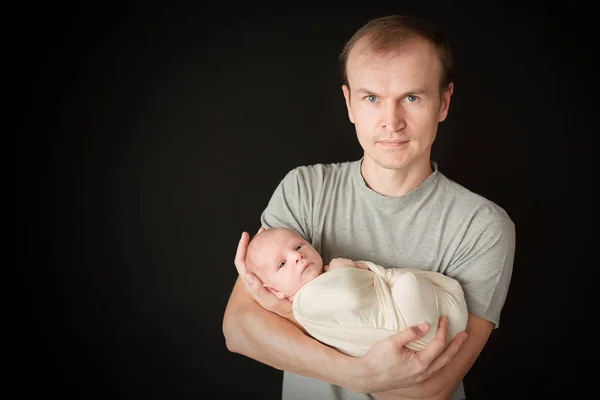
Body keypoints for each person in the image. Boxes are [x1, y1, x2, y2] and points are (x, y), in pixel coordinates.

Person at [223, 14, 516, 400]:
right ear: (349, 103)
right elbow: (240, 328)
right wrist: (360, 372)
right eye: (372, 98)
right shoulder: (305, 189)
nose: (391, 122)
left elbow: (430, 389)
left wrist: (288, 316)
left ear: (443, 102)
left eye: (411, 97)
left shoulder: (481, 225)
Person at [244, 226, 469, 358]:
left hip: (427, 325)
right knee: (408, 284)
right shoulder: (305, 301)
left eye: (298, 246)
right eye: (282, 264)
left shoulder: (322, 277)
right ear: (275, 291)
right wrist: (343, 269)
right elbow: (350, 295)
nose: (296, 256)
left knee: (411, 285)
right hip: (408, 333)